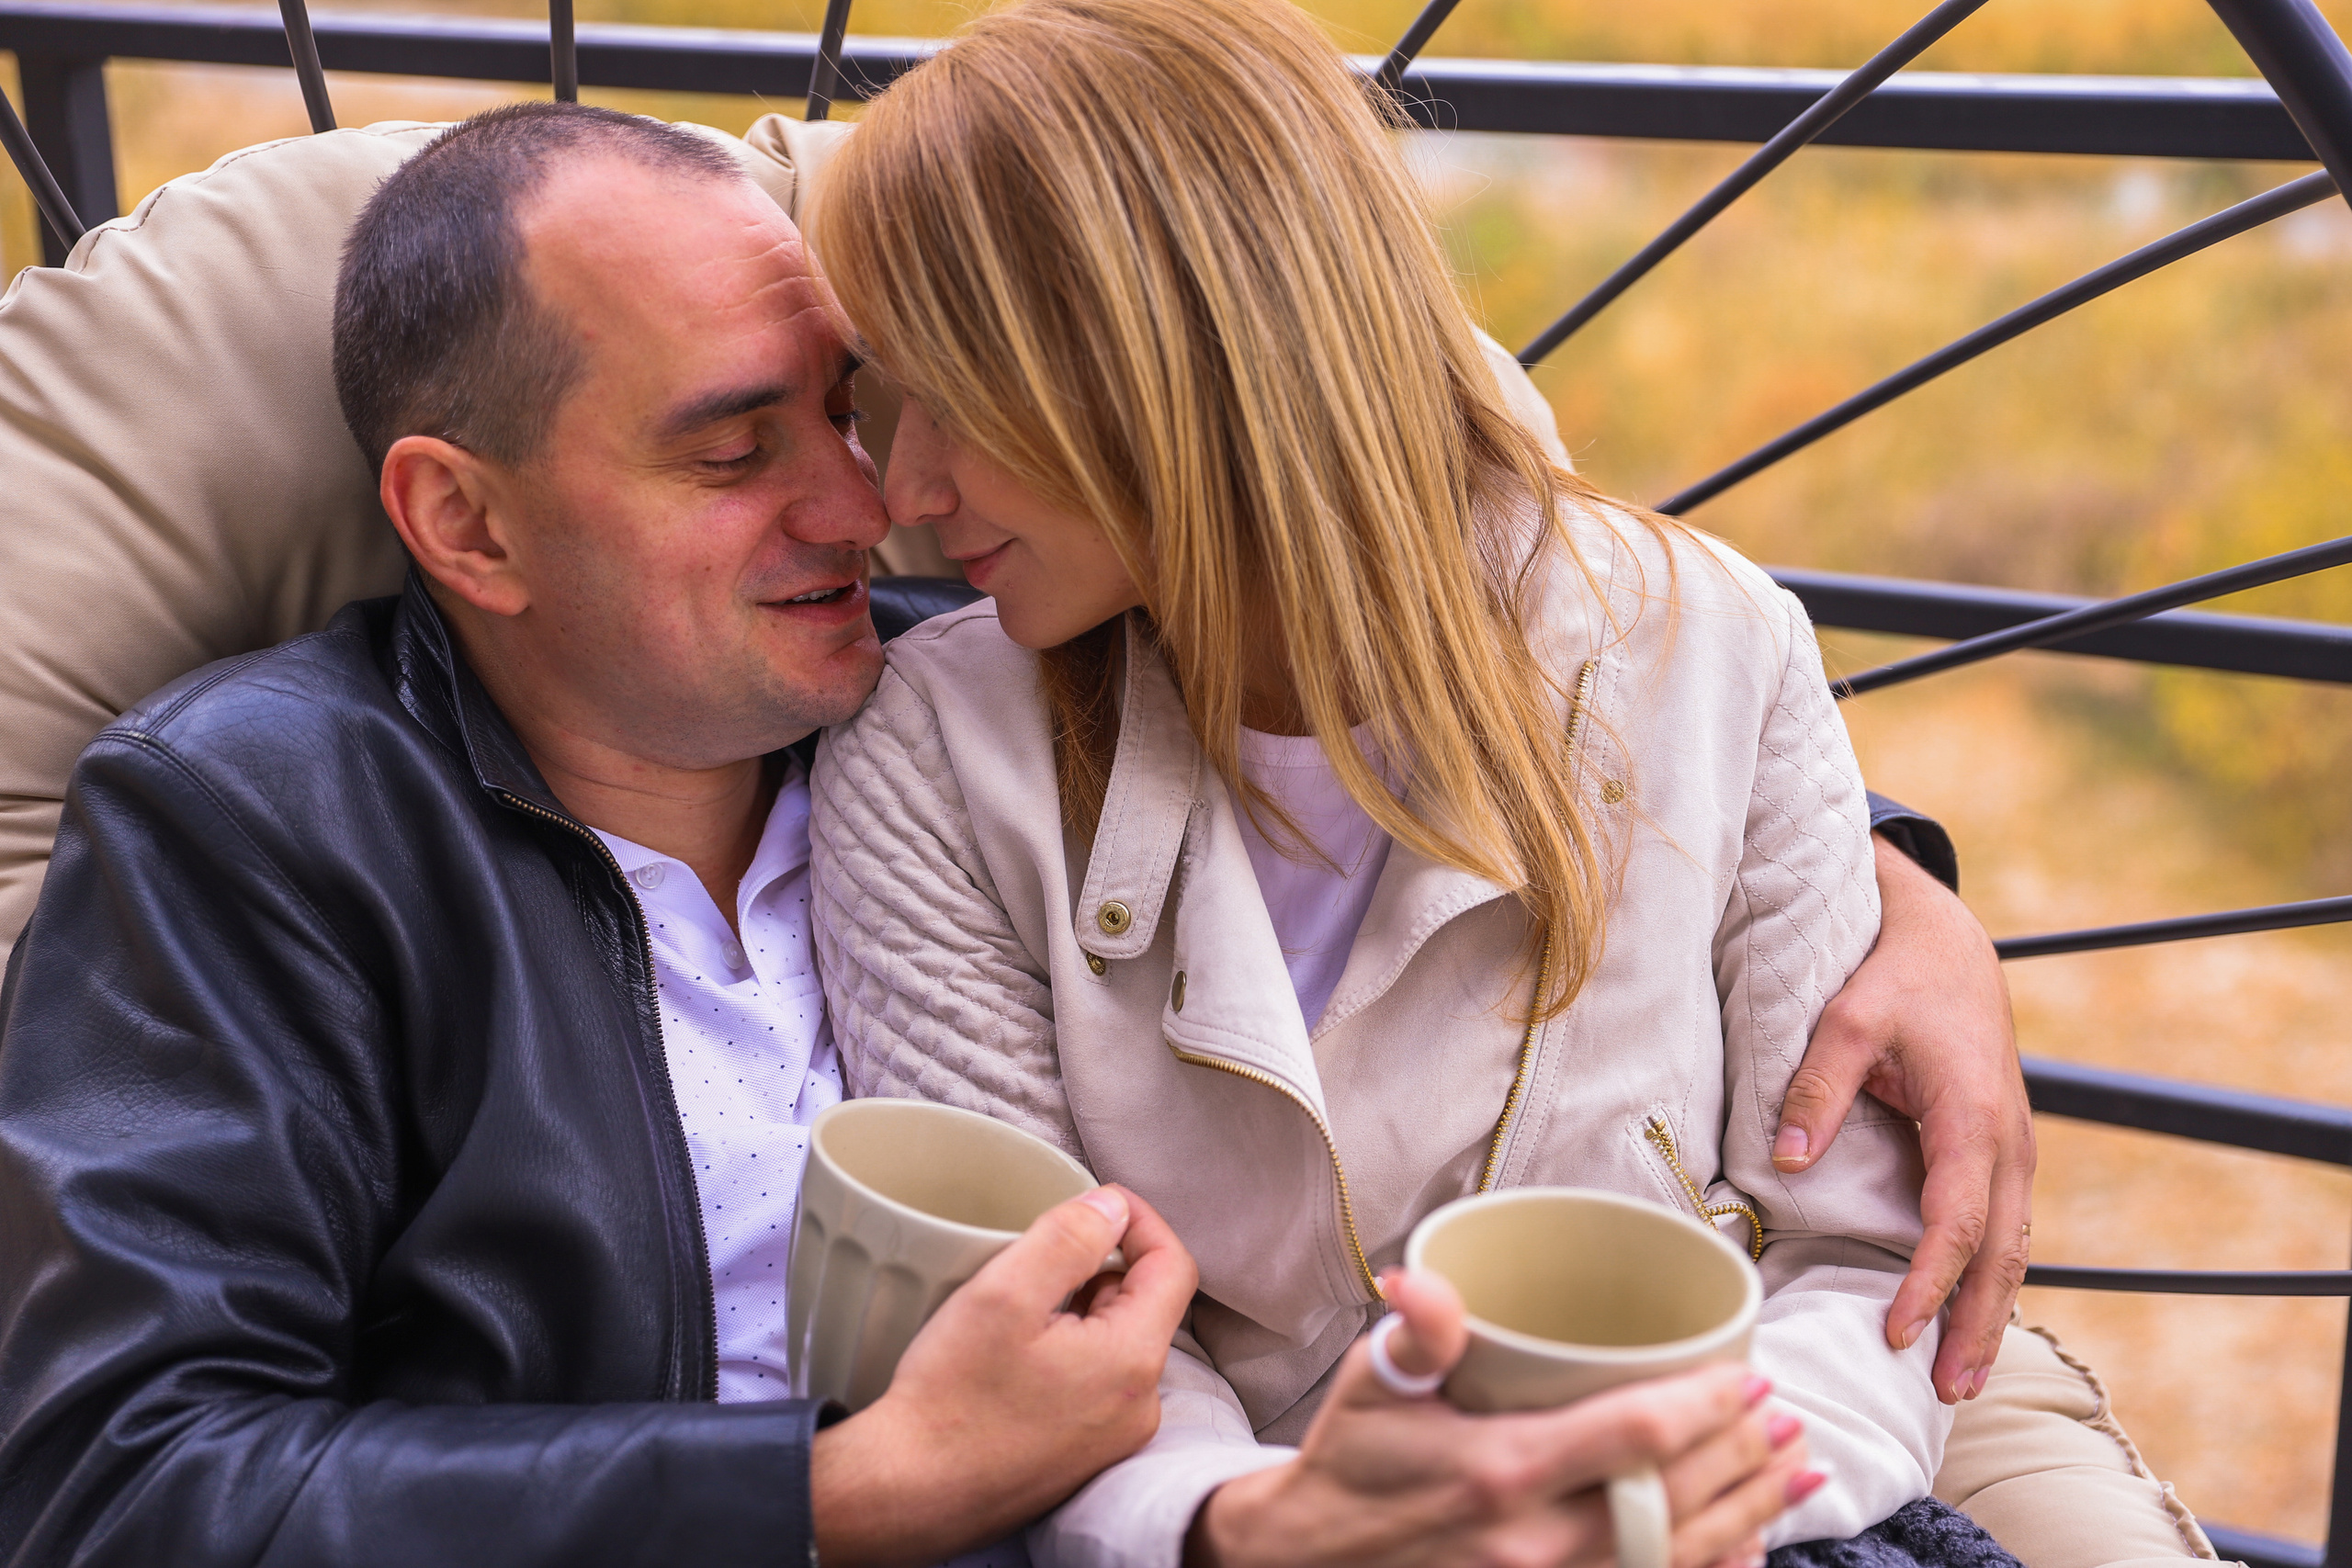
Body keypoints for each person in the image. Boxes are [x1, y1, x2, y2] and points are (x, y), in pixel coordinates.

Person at [0, 101, 1810, 1567]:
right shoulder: (253, 822)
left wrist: (1874, 872)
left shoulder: (963, 697)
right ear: (465, 528)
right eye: (733, 452)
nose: (870, 501)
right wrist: (838, 1496)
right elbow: (122, 1482)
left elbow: (1389, 600)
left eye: (855, 409)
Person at [797, 1, 2089, 1563]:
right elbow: (1030, 1318)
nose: (904, 495)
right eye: (880, 404)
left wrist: (1643, 1516)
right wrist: (1257, 1525)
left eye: (954, 398)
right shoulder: (934, 751)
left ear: (1161, 353)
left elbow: (1861, 1262)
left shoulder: (1715, 645)